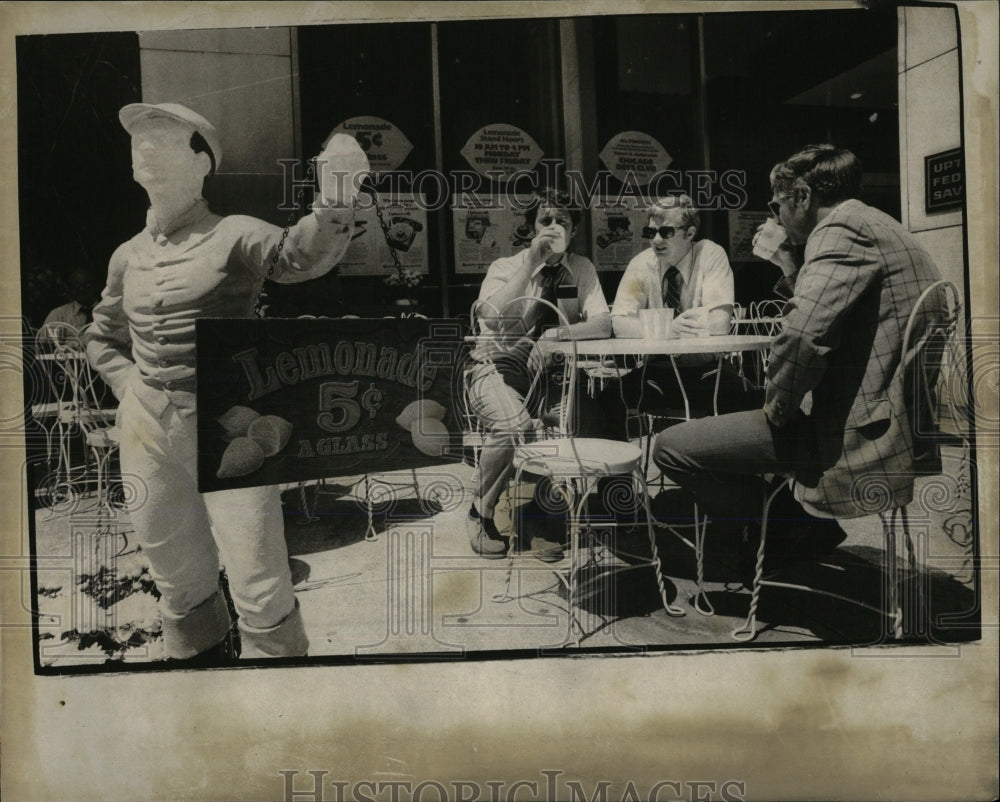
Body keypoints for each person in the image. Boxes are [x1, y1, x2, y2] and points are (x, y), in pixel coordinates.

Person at [84, 102, 368, 664]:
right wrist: (127, 390)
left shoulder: (233, 234)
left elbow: (295, 257)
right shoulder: (127, 257)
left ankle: (276, 694)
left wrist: (335, 199)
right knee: (177, 578)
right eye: (139, 142)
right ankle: (201, 685)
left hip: (230, 426)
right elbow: (101, 335)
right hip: (148, 434)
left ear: (201, 165)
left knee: (258, 576)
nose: (145, 150)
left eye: (163, 142)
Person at [652, 145, 944, 555]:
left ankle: (783, 529)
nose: (774, 217)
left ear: (803, 196)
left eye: (776, 205)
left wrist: (776, 409)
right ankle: (795, 525)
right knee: (747, 404)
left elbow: (802, 337)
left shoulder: (840, 231)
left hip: (851, 433)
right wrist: (789, 262)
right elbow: (833, 316)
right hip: (894, 421)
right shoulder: (875, 222)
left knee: (670, 447)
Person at [467, 189, 611, 562]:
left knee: (575, 421)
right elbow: (491, 317)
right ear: (531, 228)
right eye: (545, 220)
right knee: (515, 426)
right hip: (495, 368)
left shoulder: (581, 268)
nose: (553, 227)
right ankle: (480, 512)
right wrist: (531, 261)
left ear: (574, 229)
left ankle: (542, 514)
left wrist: (555, 335)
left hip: (550, 374)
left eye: (561, 221)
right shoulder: (505, 266)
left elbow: (602, 322)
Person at [600, 195, 756, 440]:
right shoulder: (641, 264)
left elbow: (719, 324)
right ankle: (619, 479)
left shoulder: (710, 254)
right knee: (608, 399)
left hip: (708, 372)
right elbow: (619, 324)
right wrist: (668, 328)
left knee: (747, 401)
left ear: (690, 232)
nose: (656, 240)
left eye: (666, 232)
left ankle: (720, 475)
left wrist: (646, 325)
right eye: (650, 232)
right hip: (658, 374)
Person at [41, 267, 102, 343]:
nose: (82, 289)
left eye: (87, 284)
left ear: (96, 286)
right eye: (77, 285)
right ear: (70, 288)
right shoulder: (59, 315)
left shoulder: (109, 312)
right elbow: (46, 346)